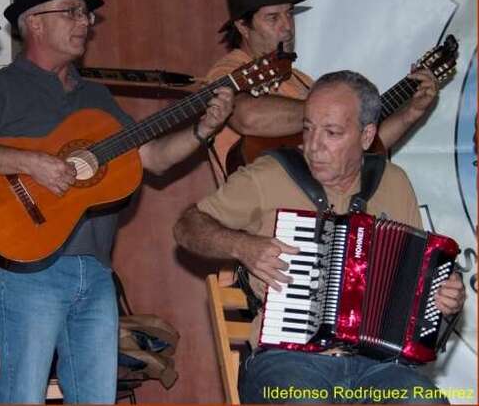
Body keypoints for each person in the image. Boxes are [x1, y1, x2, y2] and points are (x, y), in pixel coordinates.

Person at [0, 0, 234, 404]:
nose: (85, 23)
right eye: (71, 11)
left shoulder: (96, 97)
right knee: (24, 396)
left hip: (96, 271)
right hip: (31, 271)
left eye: (86, 14)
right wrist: (31, 162)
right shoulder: (0, 88)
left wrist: (202, 130)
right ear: (35, 22)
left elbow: (151, 158)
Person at [173, 71, 465, 404]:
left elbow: (418, 280)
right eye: (308, 128)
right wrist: (242, 246)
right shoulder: (269, 175)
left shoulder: (394, 182)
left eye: (332, 133)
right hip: (289, 362)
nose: (314, 146)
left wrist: (444, 296)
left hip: (378, 367)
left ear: (367, 135)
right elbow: (187, 226)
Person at [206, 0, 439, 184]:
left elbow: (357, 150)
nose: (287, 27)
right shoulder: (226, 72)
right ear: (243, 26)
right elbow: (247, 117)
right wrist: (335, 114)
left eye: (289, 14)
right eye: (273, 17)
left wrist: (410, 113)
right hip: (256, 206)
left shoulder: (301, 80)